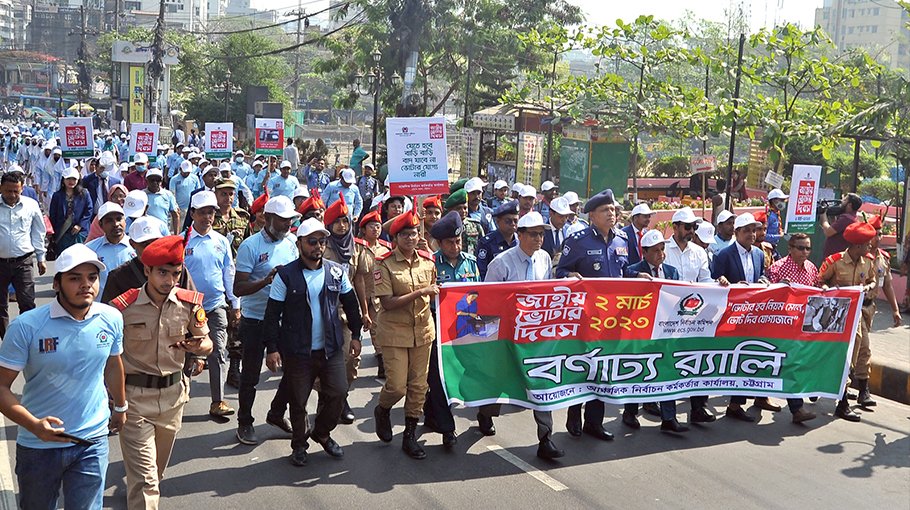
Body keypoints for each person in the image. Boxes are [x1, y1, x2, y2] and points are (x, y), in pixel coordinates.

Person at [0, 244, 126, 510]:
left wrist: (121, 407)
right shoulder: (26, 326)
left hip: (91, 441)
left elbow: (113, 364)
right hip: (38, 447)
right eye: (74, 278)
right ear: (56, 284)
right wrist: (34, 425)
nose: (86, 285)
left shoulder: (111, 318)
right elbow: (1, 387)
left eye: (92, 277)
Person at [111, 235, 213, 510]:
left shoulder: (189, 303)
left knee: (155, 472)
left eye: (176, 274)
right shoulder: (123, 308)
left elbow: (207, 341)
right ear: (147, 271)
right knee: (146, 481)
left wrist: (199, 345)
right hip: (135, 402)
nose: (170, 281)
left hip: (173, 399)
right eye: (163, 273)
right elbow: (109, 356)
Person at [262, 218, 363, 466]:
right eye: (312, 242)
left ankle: (322, 433)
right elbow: (272, 315)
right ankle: (299, 445)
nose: (318, 246)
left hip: (331, 349)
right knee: (298, 401)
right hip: (298, 352)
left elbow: (351, 305)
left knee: (339, 392)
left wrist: (357, 336)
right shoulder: (285, 276)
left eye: (322, 241)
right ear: (300, 244)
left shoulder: (336, 271)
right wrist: (272, 349)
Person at [556, 189, 641, 441]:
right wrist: (569, 276)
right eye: (605, 210)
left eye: (613, 209)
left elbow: (624, 272)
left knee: (604, 370)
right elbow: (560, 272)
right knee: (583, 366)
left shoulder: (622, 240)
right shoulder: (578, 240)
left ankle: (595, 421)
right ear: (592, 215)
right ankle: (574, 412)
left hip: (613, 319)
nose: (612, 214)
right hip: (586, 318)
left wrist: (639, 277)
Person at [482, 211, 565, 459]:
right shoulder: (501, 263)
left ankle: (545, 437)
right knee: (498, 381)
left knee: (541, 381)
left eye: (541, 234)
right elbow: (488, 302)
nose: (539, 239)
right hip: (508, 334)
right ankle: (485, 413)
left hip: (536, 334)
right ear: (519, 235)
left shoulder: (544, 259)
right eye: (533, 234)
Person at [372, 210, 438, 460]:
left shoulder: (427, 261)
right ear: (396, 237)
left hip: (422, 330)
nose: (411, 238)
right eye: (405, 234)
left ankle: (409, 434)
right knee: (397, 386)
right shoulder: (384, 263)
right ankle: (383, 409)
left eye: (414, 233)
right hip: (394, 332)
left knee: (419, 386)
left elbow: (434, 292)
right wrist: (421, 291)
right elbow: (387, 303)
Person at [234, 196, 298, 445]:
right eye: (283, 221)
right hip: (255, 319)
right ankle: (245, 422)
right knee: (250, 375)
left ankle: (276, 414)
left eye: (290, 221)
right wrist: (265, 281)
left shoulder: (292, 242)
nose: (287, 225)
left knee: (294, 371)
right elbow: (238, 287)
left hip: (284, 318)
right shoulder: (250, 246)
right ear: (267, 218)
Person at [623, 230, 692, 433]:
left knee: (667, 370)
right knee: (638, 371)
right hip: (640, 332)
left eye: (662, 249)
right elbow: (625, 280)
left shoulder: (671, 272)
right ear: (644, 252)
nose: (661, 254)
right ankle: (630, 412)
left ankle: (669, 418)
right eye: (655, 251)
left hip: (665, 330)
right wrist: (637, 276)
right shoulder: (633, 270)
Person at [423, 211, 478, 448]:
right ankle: (447, 429)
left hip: (464, 329)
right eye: (450, 242)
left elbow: (479, 295)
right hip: (438, 329)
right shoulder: (430, 263)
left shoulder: (471, 263)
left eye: (459, 241)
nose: (455, 246)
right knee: (438, 378)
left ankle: (430, 408)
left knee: (461, 376)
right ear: (439, 243)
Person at [711, 212, 773, 422]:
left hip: (753, 315)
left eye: (754, 230)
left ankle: (752, 398)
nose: (751, 234)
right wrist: (728, 284)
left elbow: (760, 275)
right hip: (731, 317)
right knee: (736, 357)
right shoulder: (724, 255)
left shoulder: (758, 254)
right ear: (736, 232)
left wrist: (762, 280)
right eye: (746, 230)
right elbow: (713, 282)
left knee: (753, 354)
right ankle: (733, 404)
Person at [184, 190, 240, 418]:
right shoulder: (182, 240)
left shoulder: (220, 242)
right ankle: (180, 392)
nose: (208, 217)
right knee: (185, 353)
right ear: (192, 214)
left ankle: (218, 401)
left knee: (218, 351)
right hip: (187, 307)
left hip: (216, 305)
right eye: (203, 213)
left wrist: (235, 304)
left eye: (211, 212)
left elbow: (229, 273)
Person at [818, 222, 878, 421]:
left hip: (857, 314)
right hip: (835, 316)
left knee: (858, 351)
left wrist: (869, 286)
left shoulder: (868, 261)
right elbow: (821, 280)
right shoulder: (834, 261)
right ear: (858, 245)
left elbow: (872, 279)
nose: (870, 247)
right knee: (833, 353)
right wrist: (828, 288)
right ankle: (825, 388)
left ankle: (848, 399)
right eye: (867, 244)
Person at [320, 196, 372, 424]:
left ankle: (341, 395)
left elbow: (359, 280)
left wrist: (364, 311)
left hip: (347, 311)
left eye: (345, 221)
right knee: (325, 360)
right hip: (323, 312)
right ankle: (329, 397)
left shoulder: (357, 248)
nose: (342, 226)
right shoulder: (319, 245)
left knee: (351, 361)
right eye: (337, 221)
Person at [766, 232, 820, 423]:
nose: (805, 252)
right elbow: (765, 297)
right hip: (780, 327)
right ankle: (797, 409)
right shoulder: (777, 269)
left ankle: (748, 400)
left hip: (803, 328)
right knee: (788, 365)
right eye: (800, 248)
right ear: (790, 249)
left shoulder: (812, 269)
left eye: (808, 248)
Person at [100, 216, 195, 303]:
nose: (150, 248)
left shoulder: (176, 268)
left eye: (155, 243)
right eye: (144, 244)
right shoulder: (118, 277)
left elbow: (192, 303)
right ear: (132, 244)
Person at [0, 171, 46, 338]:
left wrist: (41, 258)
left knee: (27, 303)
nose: (12, 195)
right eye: (8, 191)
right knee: (1, 307)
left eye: (16, 191)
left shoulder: (31, 205)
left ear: (22, 189)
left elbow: (38, 232)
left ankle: (27, 340)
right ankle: (6, 342)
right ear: (1, 188)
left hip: (23, 262)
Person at [358, 210, 391, 378]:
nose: (375, 230)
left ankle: (382, 361)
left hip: (378, 296)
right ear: (364, 229)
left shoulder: (386, 248)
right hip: (359, 295)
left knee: (379, 329)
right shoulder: (357, 247)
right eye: (371, 226)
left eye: (378, 226)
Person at [85, 202, 136, 300]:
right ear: (101, 225)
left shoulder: (136, 246)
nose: (116, 224)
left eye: (119, 219)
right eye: (109, 221)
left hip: (132, 307)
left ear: (125, 221)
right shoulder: (90, 249)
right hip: (102, 306)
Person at [866, 215, 903, 328]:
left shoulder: (884, 258)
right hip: (856, 305)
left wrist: (895, 310)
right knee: (863, 343)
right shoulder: (859, 256)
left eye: (880, 234)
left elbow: (887, 286)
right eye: (874, 235)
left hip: (870, 306)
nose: (878, 238)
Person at [663, 207, 714, 284]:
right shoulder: (662, 250)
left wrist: (718, 283)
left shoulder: (699, 252)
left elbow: (705, 280)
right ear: (675, 227)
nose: (692, 231)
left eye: (694, 226)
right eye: (687, 226)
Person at [49, 163, 93, 251]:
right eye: (68, 179)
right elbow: (53, 215)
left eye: (74, 179)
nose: (71, 182)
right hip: (62, 233)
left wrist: (80, 225)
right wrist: (53, 233)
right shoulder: (57, 196)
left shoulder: (84, 193)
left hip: (79, 232)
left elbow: (89, 210)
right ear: (63, 180)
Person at [476, 200, 519, 279]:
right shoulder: (487, 243)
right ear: (498, 222)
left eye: (515, 221)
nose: (513, 224)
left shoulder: (520, 242)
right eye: (508, 221)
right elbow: (481, 271)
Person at [821, 192, 862, 258]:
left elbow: (828, 232)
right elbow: (835, 230)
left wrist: (823, 215)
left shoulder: (846, 218)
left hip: (835, 259)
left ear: (849, 205)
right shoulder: (852, 218)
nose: (842, 202)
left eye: (845, 200)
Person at [144, 168, 180, 234]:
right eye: (152, 180)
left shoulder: (168, 195)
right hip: (146, 233)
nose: (155, 182)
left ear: (161, 181)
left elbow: (175, 215)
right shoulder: (142, 194)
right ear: (147, 181)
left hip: (163, 233)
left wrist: (176, 235)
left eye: (158, 180)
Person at [169, 160, 200, 228]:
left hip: (192, 208)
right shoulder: (174, 179)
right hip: (180, 209)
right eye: (185, 172)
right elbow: (172, 194)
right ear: (180, 169)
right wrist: (175, 206)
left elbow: (198, 192)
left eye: (188, 172)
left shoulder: (194, 178)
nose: (187, 174)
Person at [543, 196, 572, 261]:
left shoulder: (568, 230)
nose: (564, 220)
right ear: (551, 213)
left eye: (566, 216)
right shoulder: (542, 230)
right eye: (561, 216)